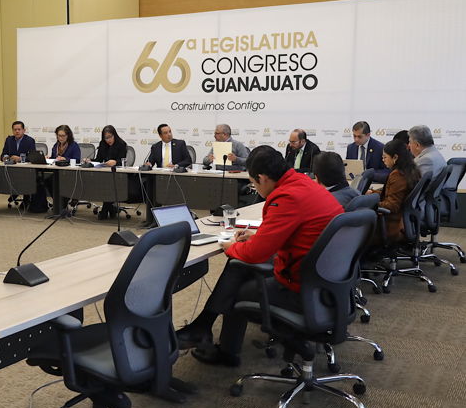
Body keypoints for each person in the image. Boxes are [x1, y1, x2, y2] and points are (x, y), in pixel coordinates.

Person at [175, 145, 343, 366]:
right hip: (327, 281)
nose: (254, 187)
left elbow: (254, 254)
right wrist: (258, 237)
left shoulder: (287, 197)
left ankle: (223, 348)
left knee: (237, 284)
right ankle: (203, 328)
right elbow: (295, 232)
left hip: (304, 289)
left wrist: (230, 247)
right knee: (239, 267)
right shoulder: (303, 184)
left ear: (262, 178)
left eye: (253, 183)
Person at [367, 139, 421, 243]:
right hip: (405, 221)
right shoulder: (412, 170)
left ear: (395, 157)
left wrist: (370, 203)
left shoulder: (397, 175)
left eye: (385, 157)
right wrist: (373, 193)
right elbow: (393, 195)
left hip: (392, 225)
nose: (383, 160)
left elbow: (392, 205)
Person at [93, 125, 128, 220]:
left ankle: (105, 211)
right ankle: (111, 209)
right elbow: (98, 159)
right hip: (105, 173)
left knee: (109, 184)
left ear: (114, 135)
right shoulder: (102, 144)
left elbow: (123, 161)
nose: (108, 140)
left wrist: (115, 162)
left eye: (110, 137)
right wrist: (89, 160)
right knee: (105, 183)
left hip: (117, 174)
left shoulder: (121, 144)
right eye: (106, 138)